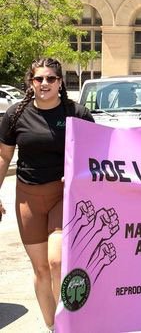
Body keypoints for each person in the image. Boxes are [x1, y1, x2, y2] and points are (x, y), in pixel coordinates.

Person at [0, 58, 95, 331]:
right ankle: (53, 326)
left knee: (57, 262)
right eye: (39, 79)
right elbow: (3, 156)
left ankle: (69, 324)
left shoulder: (76, 113)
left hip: (63, 196)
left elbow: (100, 151)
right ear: (31, 82)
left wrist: (79, 173)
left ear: (60, 82)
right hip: (27, 198)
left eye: (50, 79)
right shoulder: (15, 114)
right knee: (41, 269)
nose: (44, 84)